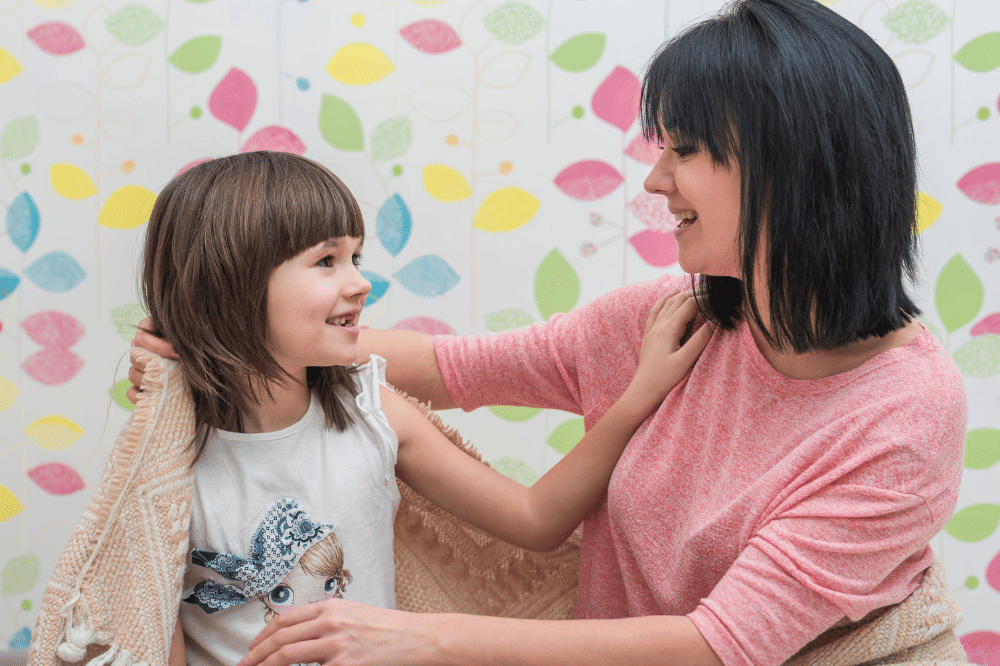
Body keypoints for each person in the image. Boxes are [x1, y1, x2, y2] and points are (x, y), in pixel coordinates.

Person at [131, 1, 968, 664]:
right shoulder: (666, 323)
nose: (655, 176)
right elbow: (448, 367)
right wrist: (226, 335)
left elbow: (721, 644)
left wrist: (421, 640)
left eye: (686, 149)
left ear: (790, 167)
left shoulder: (903, 413)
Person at [132, 150, 712, 666]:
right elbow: (149, 632)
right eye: (327, 261)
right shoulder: (163, 458)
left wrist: (638, 396)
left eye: (356, 257)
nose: (361, 284)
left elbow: (538, 520)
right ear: (233, 284)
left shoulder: (370, 413)